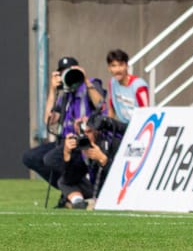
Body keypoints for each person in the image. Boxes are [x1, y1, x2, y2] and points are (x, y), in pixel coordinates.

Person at [20, 57, 111, 206]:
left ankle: (73, 194)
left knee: (51, 159)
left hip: (85, 141)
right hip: (65, 142)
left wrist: (85, 80)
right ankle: (72, 192)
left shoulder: (91, 84)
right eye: (63, 72)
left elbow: (101, 105)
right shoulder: (64, 94)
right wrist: (52, 90)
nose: (68, 75)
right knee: (30, 157)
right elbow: (49, 120)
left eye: (71, 71)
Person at [104, 48, 149, 124]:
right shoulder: (112, 82)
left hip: (140, 126)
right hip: (124, 126)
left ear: (127, 66)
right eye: (113, 66)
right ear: (109, 68)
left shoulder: (139, 86)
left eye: (121, 65)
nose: (117, 69)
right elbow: (112, 108)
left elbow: (146, 114)